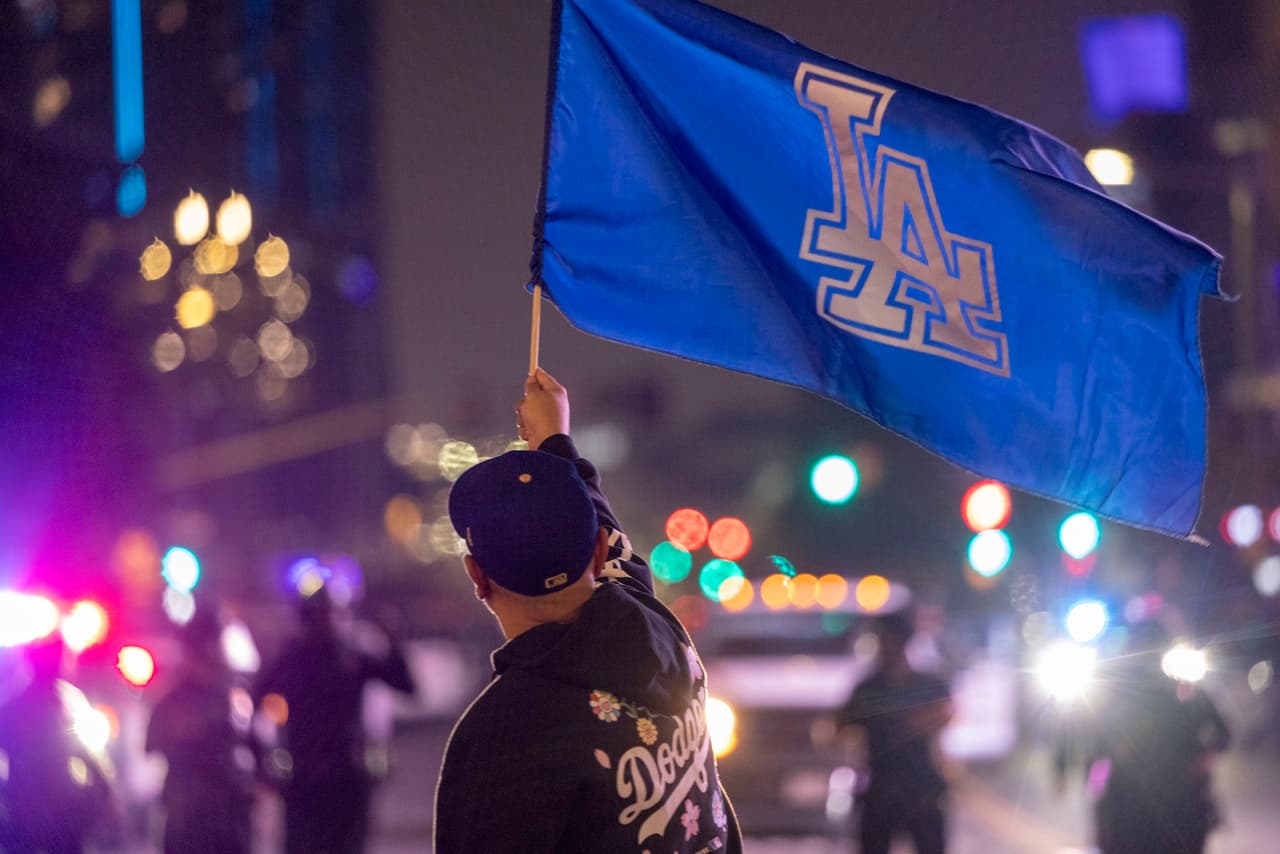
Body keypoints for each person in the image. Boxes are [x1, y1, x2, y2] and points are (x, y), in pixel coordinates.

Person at [435, 367, 743, 853]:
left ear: (477, 576)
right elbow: (611, 541)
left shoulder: (502, 732)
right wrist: (556, 440)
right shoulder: (658, 628)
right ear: (598, 552)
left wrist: (555, 440)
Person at [253, 585, 415, 854]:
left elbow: (406, 686)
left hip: (346, 776)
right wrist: (265, 763)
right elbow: (253, 703)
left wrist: (393, 642)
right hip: (305, 778)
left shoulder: (351, 656)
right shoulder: (293, 659)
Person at [1087, 620, 1229, 854]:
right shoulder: (1119, 695)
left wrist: (1202, 759)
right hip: (1134, 802)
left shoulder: (1184, 692)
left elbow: (1223, 733)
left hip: (1174, 801)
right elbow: (1096, 744)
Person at [836, 610, 952, 854]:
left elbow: (946, 712)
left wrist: (908, 721)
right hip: (880, 786)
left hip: (922, 788)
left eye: (891, 640)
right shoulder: (868, 687)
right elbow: (840, 726)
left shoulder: (927, 683)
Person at [145, 606, 257, 854]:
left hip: (230, 815)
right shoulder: (174, 702)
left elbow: (256, 748)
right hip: (190, 817)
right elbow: (153, 744)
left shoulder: (236, 697)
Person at [0, 635, 115, 854]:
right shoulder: (67, 704)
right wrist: (105, 787)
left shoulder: (18, 705)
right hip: (48, 804)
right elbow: (86, 751)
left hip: (38, 805)